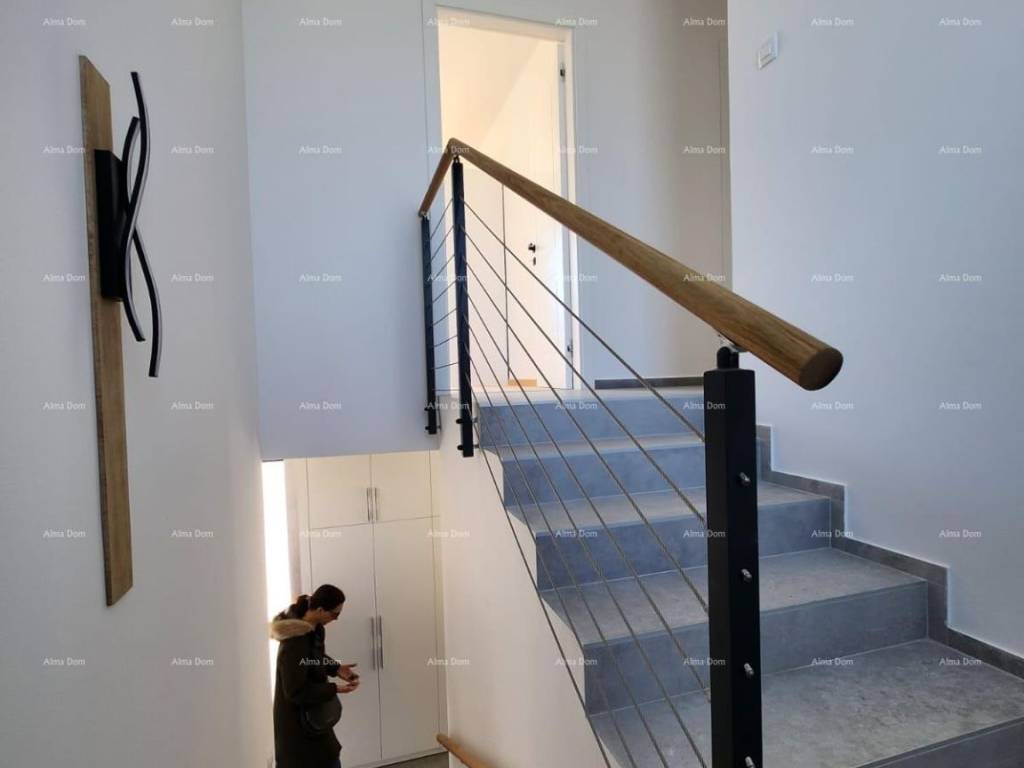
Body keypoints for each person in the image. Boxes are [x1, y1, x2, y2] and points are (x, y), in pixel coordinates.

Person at [270, 584, 359, 768]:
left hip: (314, 718)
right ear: (320, 610)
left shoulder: (315, 629)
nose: (336, 619)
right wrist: (335, 689)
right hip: (298, 731)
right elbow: (295, 691)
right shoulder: (294, 642)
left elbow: (311, 659)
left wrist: (336, 668)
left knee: (331, 758)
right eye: (335, 614)